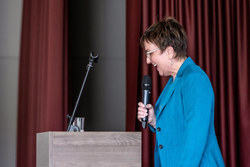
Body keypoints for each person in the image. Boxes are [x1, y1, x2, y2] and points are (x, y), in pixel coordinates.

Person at [137, 17, 225, 167]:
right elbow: (177, 126)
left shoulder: (195, 79)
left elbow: (195, 137)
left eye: (150, 53)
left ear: (169, 52)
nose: (148, 61)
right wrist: (154, 120)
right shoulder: (173, 81)